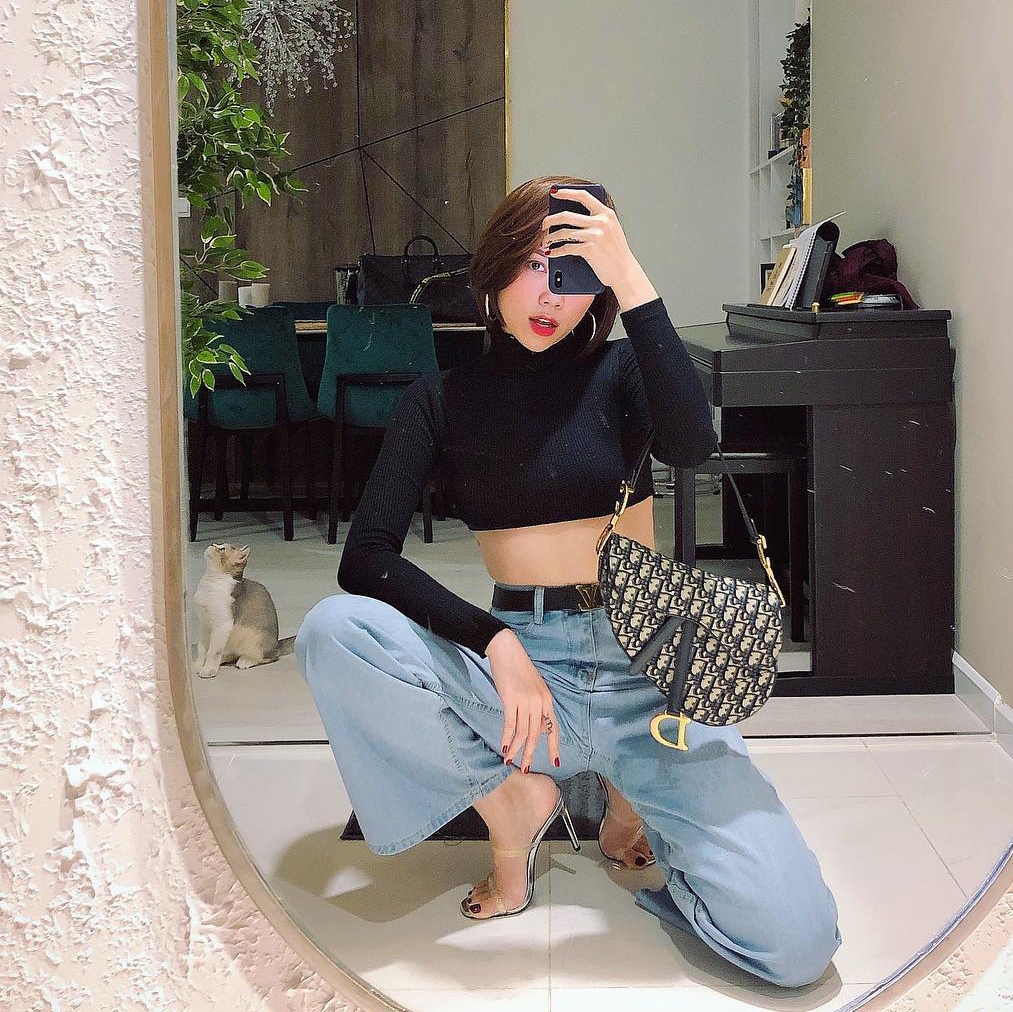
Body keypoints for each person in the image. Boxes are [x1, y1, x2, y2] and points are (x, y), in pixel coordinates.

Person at [295, 175, 841, 988]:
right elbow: (366, 556)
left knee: (797, 946)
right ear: (491, 270)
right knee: (334, 632)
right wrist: (495, 640)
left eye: (575, 271)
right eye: (531, 265)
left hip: (648, 668)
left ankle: (630, 791)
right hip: (524, 676)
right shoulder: (440, 398)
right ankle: (514, 805)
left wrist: (633, 276)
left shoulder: (621, 370)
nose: (552, 294)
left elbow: (692, 445)